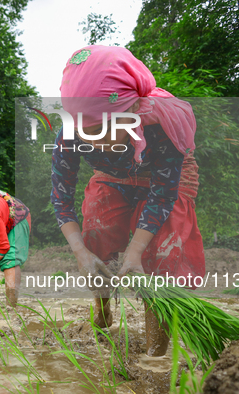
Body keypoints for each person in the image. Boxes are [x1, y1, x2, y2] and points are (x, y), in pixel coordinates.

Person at [52, 45, 205, 356]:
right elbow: (61, 199)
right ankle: (102, 308)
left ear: (133, 112)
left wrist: (135, 253)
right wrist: (81, 253)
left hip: (162, 179)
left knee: (160, 251)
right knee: (96, 228)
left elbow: (162, 196)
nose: (95, 141)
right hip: (112, 175)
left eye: (105, 130)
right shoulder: (70, 133)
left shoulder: (163, 125)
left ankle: (155, 351)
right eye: (86, 132)